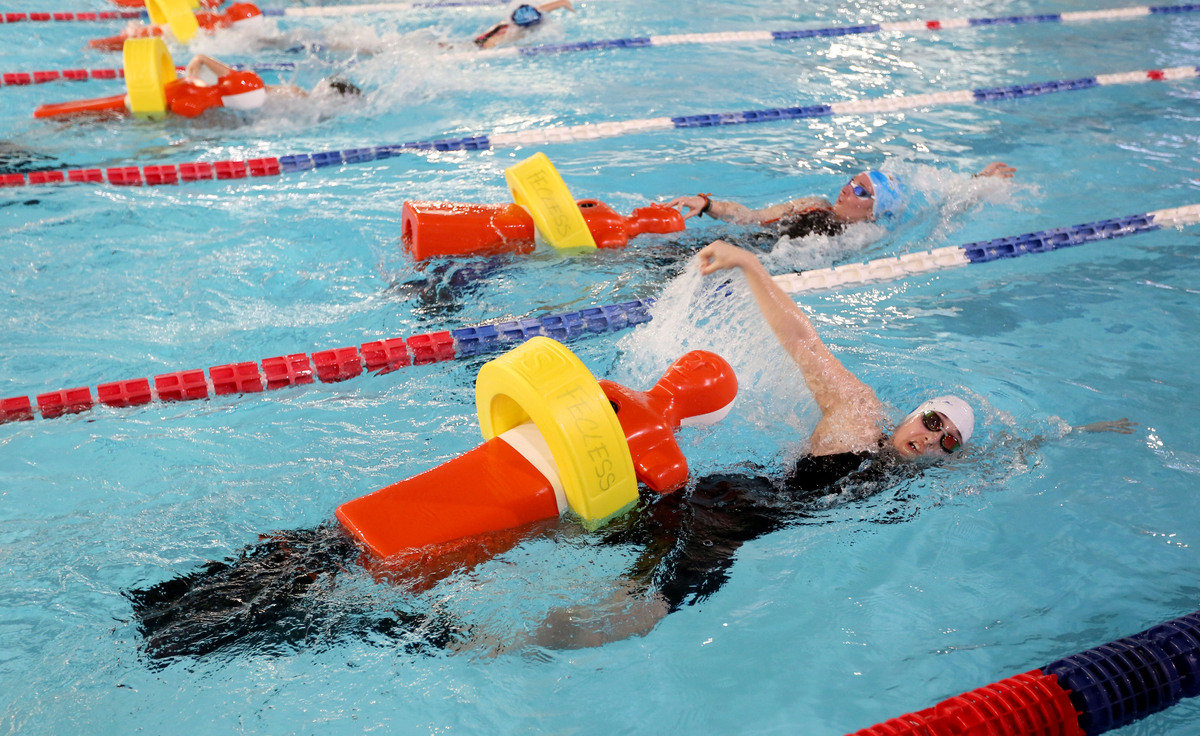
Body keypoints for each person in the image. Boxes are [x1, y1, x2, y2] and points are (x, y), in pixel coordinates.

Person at [667, 162, 1017, 239]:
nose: (849, 189)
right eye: (852, 182)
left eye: (862, 191)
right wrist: (709, 205)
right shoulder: (813, 203)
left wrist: (974, 184)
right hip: (746, 248)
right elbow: (754, 216)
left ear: (875, 211)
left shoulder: (868, 236)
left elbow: (936, 214)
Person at [474, 0, 575, 49]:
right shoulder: (510, 32)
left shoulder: (509, 24)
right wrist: (561, 3)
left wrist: (561, 3)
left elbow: (536, 11)